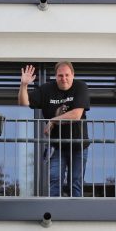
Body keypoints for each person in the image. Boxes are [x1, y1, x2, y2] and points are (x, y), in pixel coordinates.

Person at [18, 62, 90, 197]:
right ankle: (55, 210)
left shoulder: (80, 86)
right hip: (57, 145)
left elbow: (76, 115)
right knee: (55, 179)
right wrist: (24, 85)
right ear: (55, 77)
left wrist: (53, 120)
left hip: (79, 145)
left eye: (67, 75)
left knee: (75, 182)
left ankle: (76, 213)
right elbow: (24, 103)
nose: (64, 79)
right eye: (60, 76)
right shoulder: (46, 90)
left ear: (73, 75)